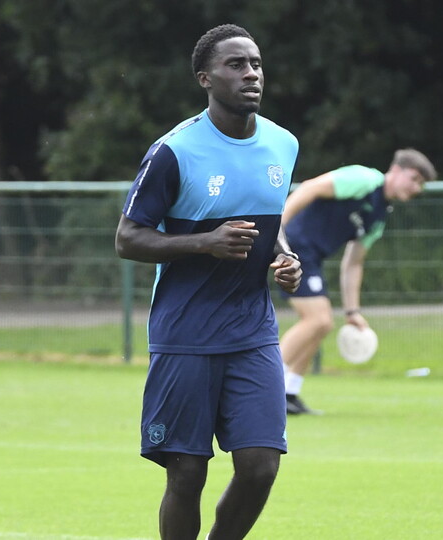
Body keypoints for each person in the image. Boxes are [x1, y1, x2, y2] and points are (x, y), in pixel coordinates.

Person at [115, 24, 301, 540]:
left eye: (256, 64)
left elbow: (272, 222)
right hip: (185, 333)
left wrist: (284, 259)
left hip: (252, 330)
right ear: (205, 78)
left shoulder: (283, 145)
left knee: (261, 466)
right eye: (235, 65)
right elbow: (128, 238)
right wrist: (204, 242)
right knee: (188, 472)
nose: (251, 74)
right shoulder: (174, 151)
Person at [278, 149, 437, 415]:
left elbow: (353, 263)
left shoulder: (378, 216)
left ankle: (289, 393)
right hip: (293, 246)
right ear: (395, 171)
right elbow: (310, 188)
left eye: (421, 183)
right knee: (319, 320)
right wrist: (277, 230)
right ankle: (264, 387)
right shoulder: (364, 179)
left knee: (320, 325)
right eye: (414, 178)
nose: (416, 187)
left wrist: (353, 312)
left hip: (312, 256)